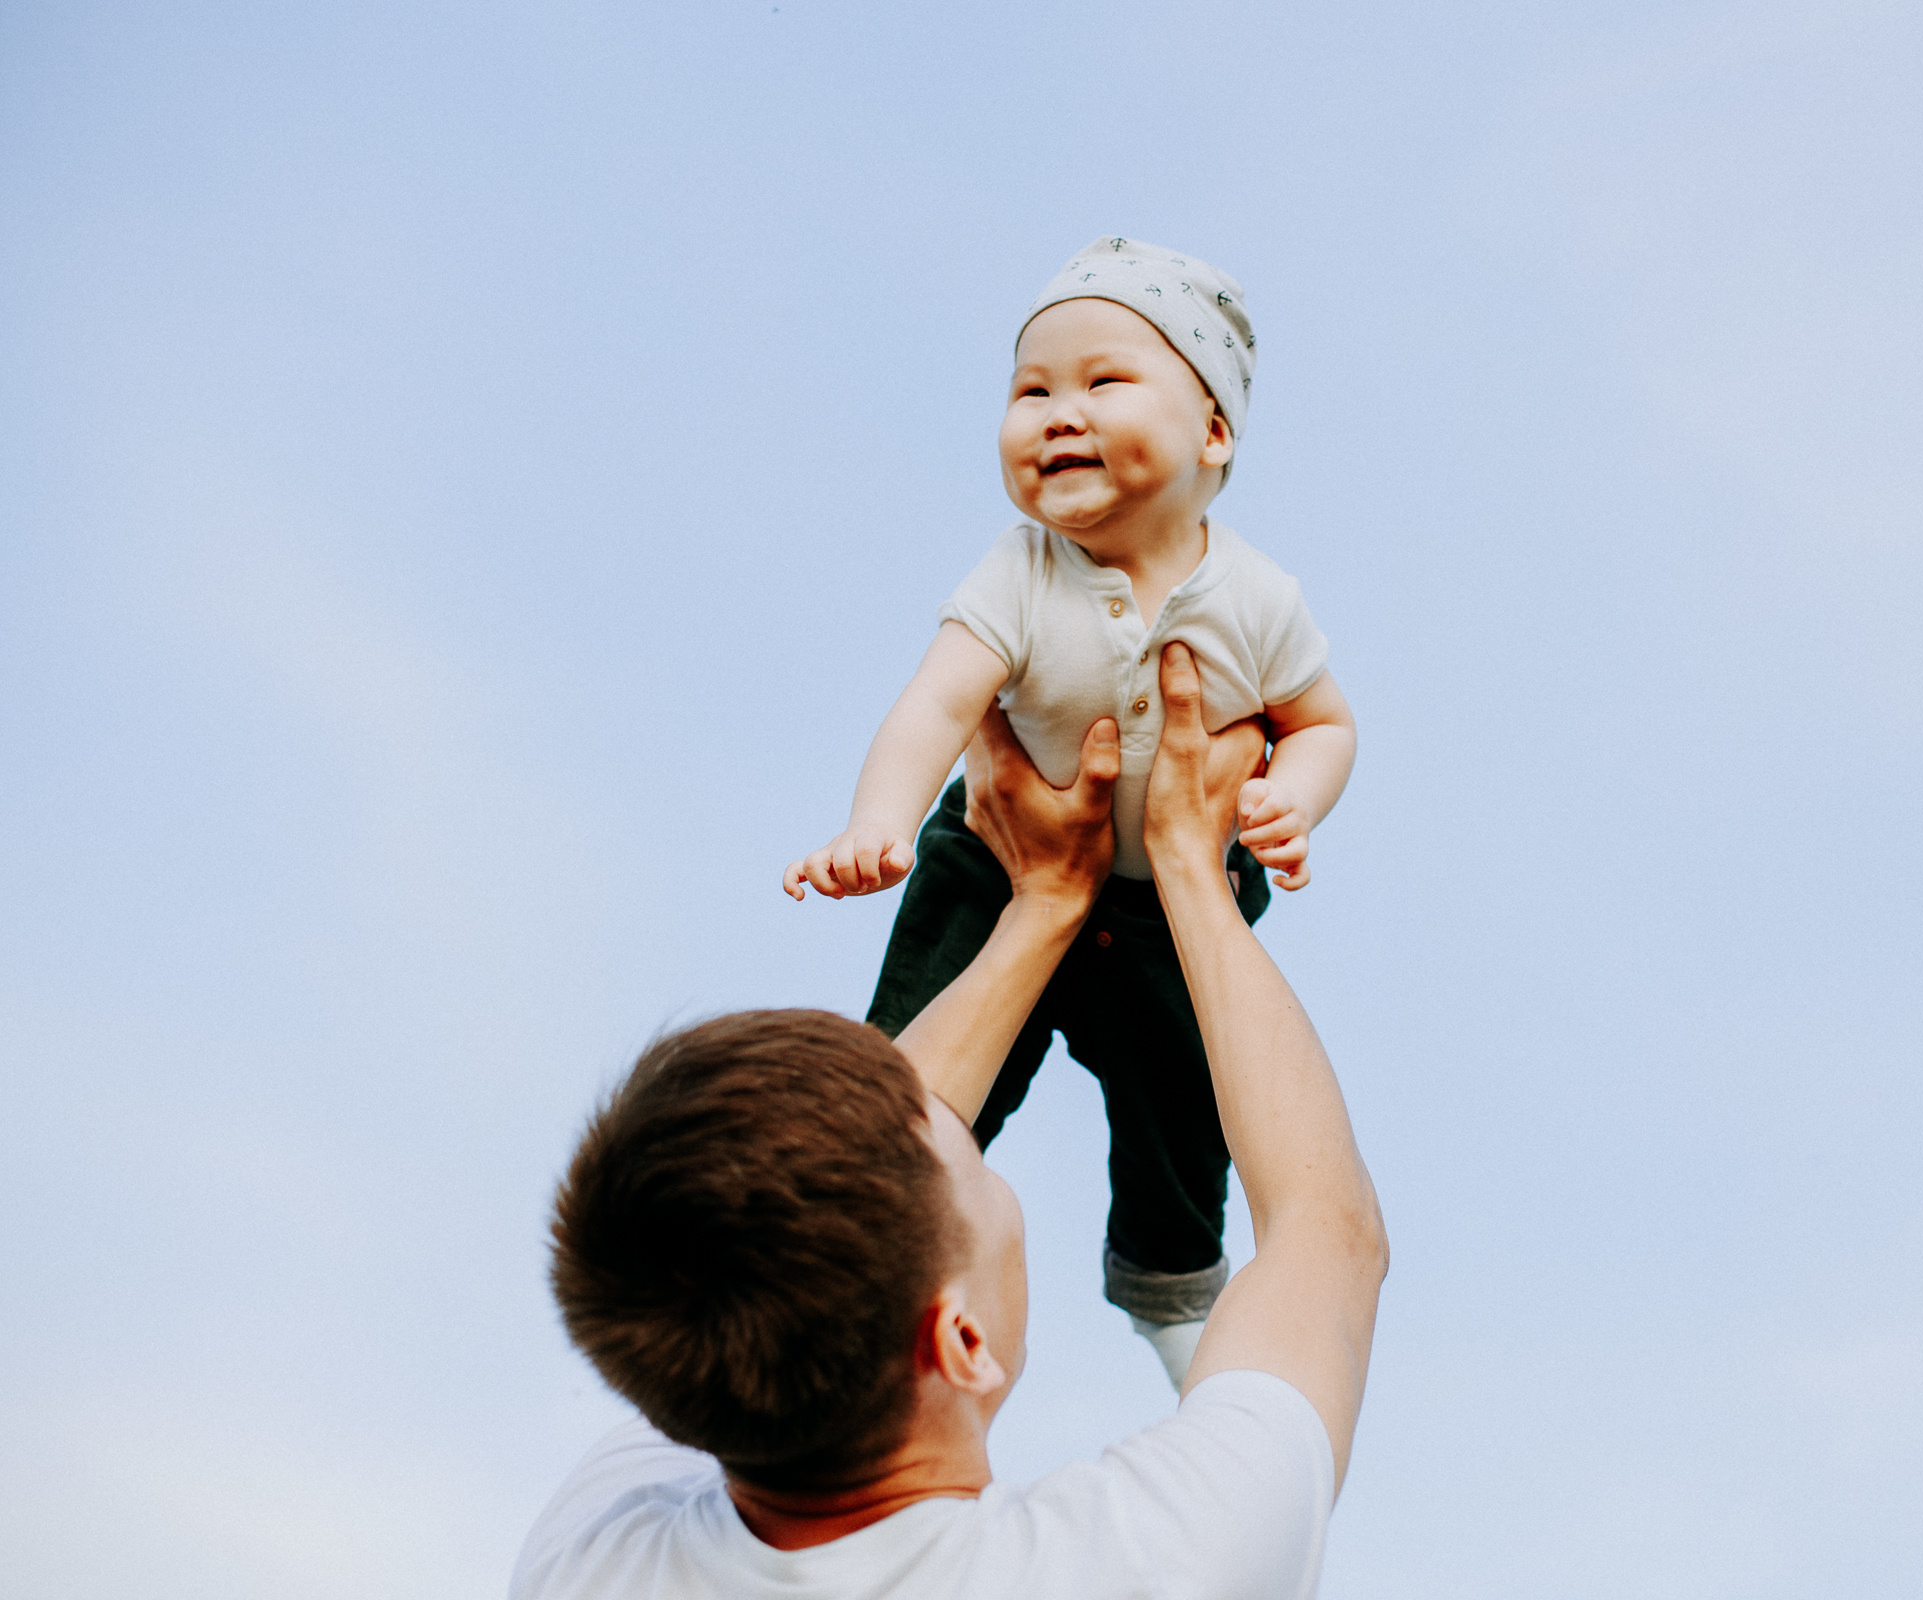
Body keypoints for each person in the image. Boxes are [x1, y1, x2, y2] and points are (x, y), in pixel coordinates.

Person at [515, 643, 1387, 1599]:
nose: (947, 1111)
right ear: (958, 1341)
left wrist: (1045, 900)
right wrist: (1188, 864)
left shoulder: (597, 1554)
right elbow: (1323, 1234)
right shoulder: (1155, 1561)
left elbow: (777, 1221)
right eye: (971, 1156)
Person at [781, 238, 1358, 1384]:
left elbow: (1324, 722)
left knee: (1184, 1111)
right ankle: (869, 1255)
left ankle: (1169, 1290)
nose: (1057, 414)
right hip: (996, 871)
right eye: (1029, 391)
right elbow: (934, 703)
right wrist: (877, 822)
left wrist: (1290, 801)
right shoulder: (1020, 570)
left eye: (1102, 382)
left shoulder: (1256, 597)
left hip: (1171, 914)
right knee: (905, 1081)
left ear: (1213, 434)